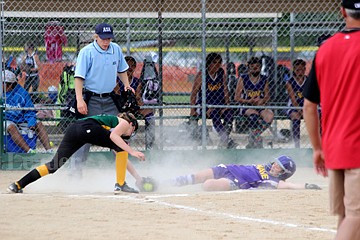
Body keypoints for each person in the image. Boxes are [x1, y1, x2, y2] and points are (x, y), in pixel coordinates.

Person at [303, 1, 360, 239]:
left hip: (334, 147)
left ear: (342, 11)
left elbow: (308, 105)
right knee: (356, 217)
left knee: (347, 216)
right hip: (357, 146)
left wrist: (317, 148)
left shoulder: (324, 49)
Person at [7, 112, 145, 194]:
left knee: (53, 165)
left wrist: (138, 177)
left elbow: (121, 157)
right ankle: (120, 184)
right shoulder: (125, 123)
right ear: (132, 124)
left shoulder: (110, 126)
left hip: (74, 129)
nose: (130, 133)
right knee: (122, 146)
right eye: (133, 130)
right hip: (88, 128)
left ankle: (18, 185)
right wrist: (132, 151)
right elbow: (115, 138)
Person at [71, 23, 132, 177]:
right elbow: (79, 77)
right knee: (85, 135)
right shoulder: (87, 52)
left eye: (109, 38)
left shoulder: (115, 49)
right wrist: (80, 100)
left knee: (119, 134)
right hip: (92, 99)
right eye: (103, 38)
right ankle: (75, 173)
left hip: (109, 99)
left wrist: (126, 85)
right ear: (95, 37)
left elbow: (122, 69)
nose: (106, 42)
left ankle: (122, 176)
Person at [172, 155, 321, 191]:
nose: (275, 166)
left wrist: (306, 186)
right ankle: (166, 183)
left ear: (285, 173)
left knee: (207, 185)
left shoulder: (273, 181)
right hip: (228, 168)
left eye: (279, 167)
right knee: (197, 176)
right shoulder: (266, 167)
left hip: (236, 181)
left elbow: (288, 186)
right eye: (276, 163)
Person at [190, 52, 238, 149]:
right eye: (214, 62)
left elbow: (225, 89)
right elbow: (194, 93)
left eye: (219, 62)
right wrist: (193, 109)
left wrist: (227, 105)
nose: (217, 65)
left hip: (219, 103)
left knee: (229, 114)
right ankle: (225, 139)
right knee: (215, 114)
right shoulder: (202, 74)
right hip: (205, 104)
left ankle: (223, 141)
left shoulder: (221, 72)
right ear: (209, 63)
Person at [2, 70, 53, 153]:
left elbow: (29, 110)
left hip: (21, 119)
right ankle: (29, 151)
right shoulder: (1, 94)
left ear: (10, 84)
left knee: (38, 124)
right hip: (6, 120)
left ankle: (49, 150)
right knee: (11, 127)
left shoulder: (22, 93)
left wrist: (31, 122)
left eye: (3, 83)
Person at [116, 56, 156, 150]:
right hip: (120, 107)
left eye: (132, 66)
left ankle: (150, 146)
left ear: (134, 67)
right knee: (122, 117)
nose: (129, 68)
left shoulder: (137, 81)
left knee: (150, 116)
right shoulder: (117, 80)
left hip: (133, 106)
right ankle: (120, 146)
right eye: (127, 66)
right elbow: (117, 96)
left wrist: (139, 106)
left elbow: (138, 98)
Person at [234, 57, 274, 149]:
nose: (255, 69)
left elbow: (267, 96)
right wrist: (249, 101)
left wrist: (262, 100)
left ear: (260, 67)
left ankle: (254, 136)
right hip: (246, 105)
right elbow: (237, 97)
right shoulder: (243, 78)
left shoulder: (264, 79)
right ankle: (256, 141)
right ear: (249, 68)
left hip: (259, 105)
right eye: (252, 67)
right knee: (254, 116)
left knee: (269, 116)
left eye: (257, 67)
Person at [285, 59, 307, 148]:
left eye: (302, 70)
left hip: (306, 106)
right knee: (296, 117)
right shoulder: (290, 82)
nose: (300, 72)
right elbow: (293, 101)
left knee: (318, 116)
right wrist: (301, 111)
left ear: (305, 69)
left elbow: (311, 99)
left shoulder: (309, 81)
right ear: (293, 70)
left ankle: (320, 143)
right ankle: (297, 145)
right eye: (297, 70)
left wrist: (306, 111)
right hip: (294, 106)